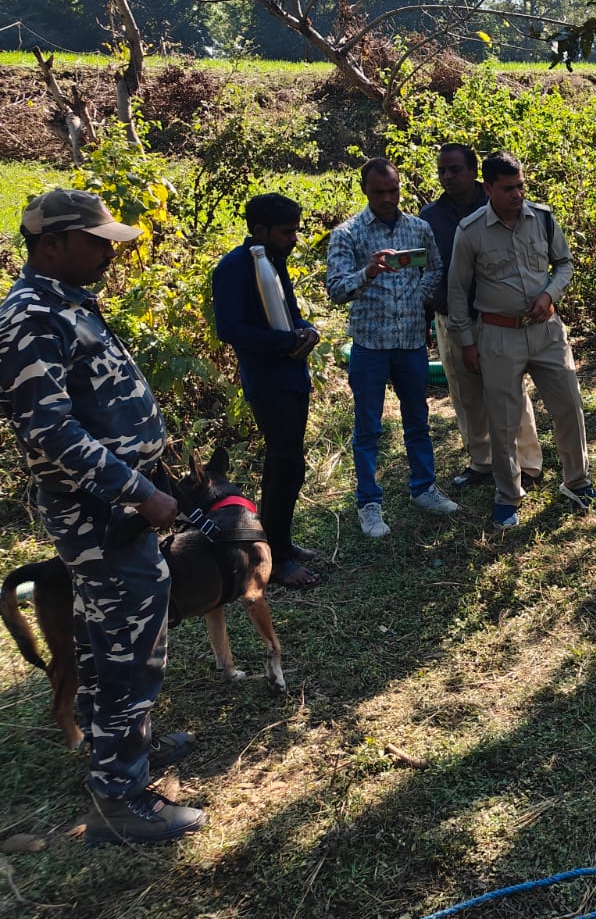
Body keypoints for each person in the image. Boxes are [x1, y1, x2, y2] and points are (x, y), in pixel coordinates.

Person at [0, 189, 206, 844]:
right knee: (129, 650)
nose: (109, 251)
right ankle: (121, 798)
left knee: (102, 640)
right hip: (102, 512)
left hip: (115, 508)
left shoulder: (64, 302)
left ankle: (121, 747)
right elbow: (49, 431)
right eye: (96, 241)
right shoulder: (30, 315)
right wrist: (137, 491)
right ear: (52, 244)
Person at [447, 150, 596, 527]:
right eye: (507, 189)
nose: (517, 194)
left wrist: (550, 294)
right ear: (487, 188)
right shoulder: (470, 232)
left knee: (569, 406)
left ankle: (577, 482)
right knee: (503, 422)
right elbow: (458, 292)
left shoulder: (544, 219)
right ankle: (508, 495)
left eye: (521, 186)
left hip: (547, 332)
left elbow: (564, 264)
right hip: (498, 336)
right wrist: (467, 343)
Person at [326, 157, 459, 537]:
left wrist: (421, 297)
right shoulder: (348, 234)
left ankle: (424, 488)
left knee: (418, 418)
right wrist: (367, 273)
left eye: (393, 190)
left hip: (411, 342)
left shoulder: (418, 228)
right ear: (364, 190)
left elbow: (435, 267)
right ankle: (369, 504)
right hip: (369, 345)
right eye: (379, 191)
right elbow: (335, 289)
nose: (388, 198)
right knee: (368, 427)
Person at [210, 192, 322, 588]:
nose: (294, 238)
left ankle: (282, 544)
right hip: (267, 380)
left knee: (290, 464)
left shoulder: (273, 261)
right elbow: (230, 329)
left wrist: (305, 329)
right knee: (284, 463)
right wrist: (283, 342)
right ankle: (276, 559)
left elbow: (287, 315)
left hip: (292, 375)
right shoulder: (234, 268)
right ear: (260, 231)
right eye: (287, 231)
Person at [419, 143, 543, 492]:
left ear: (475, 173)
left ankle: (528, 465)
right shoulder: (430, 216)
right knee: (466, 393)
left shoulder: (500, 204)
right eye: (442, 170)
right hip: (451, 319)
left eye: (455, 169)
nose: (447, 176)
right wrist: (428, 318)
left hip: (498, 318)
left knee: (510, 393)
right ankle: (482, 461)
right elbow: (430, 269)